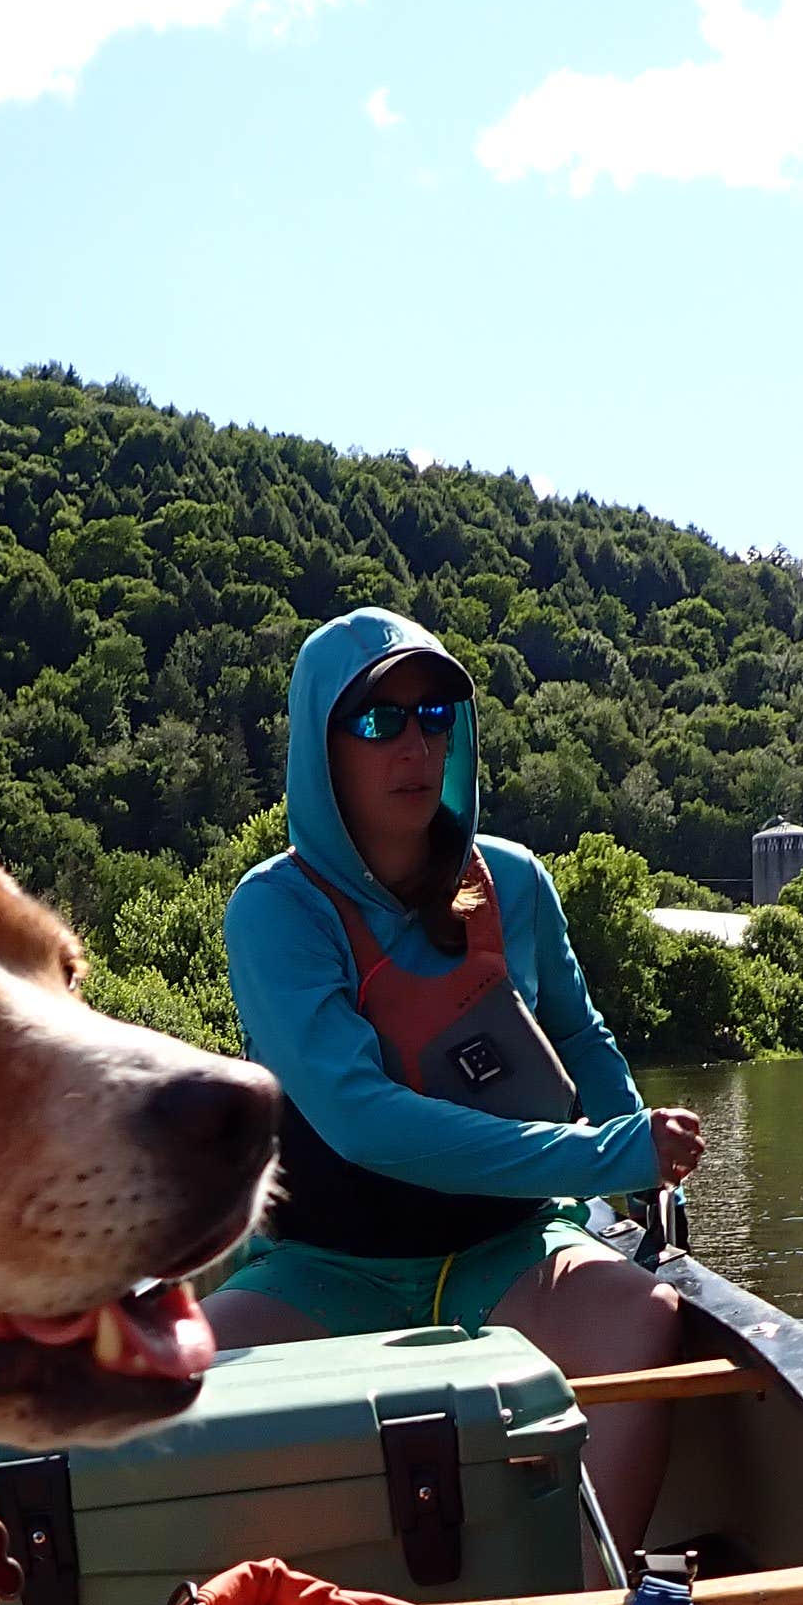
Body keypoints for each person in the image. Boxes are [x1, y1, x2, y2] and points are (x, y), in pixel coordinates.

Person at [207, 606, 703, 1554]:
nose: (413, 745)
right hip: (328, 1265)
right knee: (183, 1381)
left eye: (433, 716)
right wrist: (603, 1155)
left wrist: (642, 1159)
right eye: (376, 721)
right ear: (323, 749)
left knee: (644, 1323)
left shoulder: (513, 881)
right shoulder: (274, 912)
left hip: (503, 1250)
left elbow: (580, 1038)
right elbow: (361, 1121)